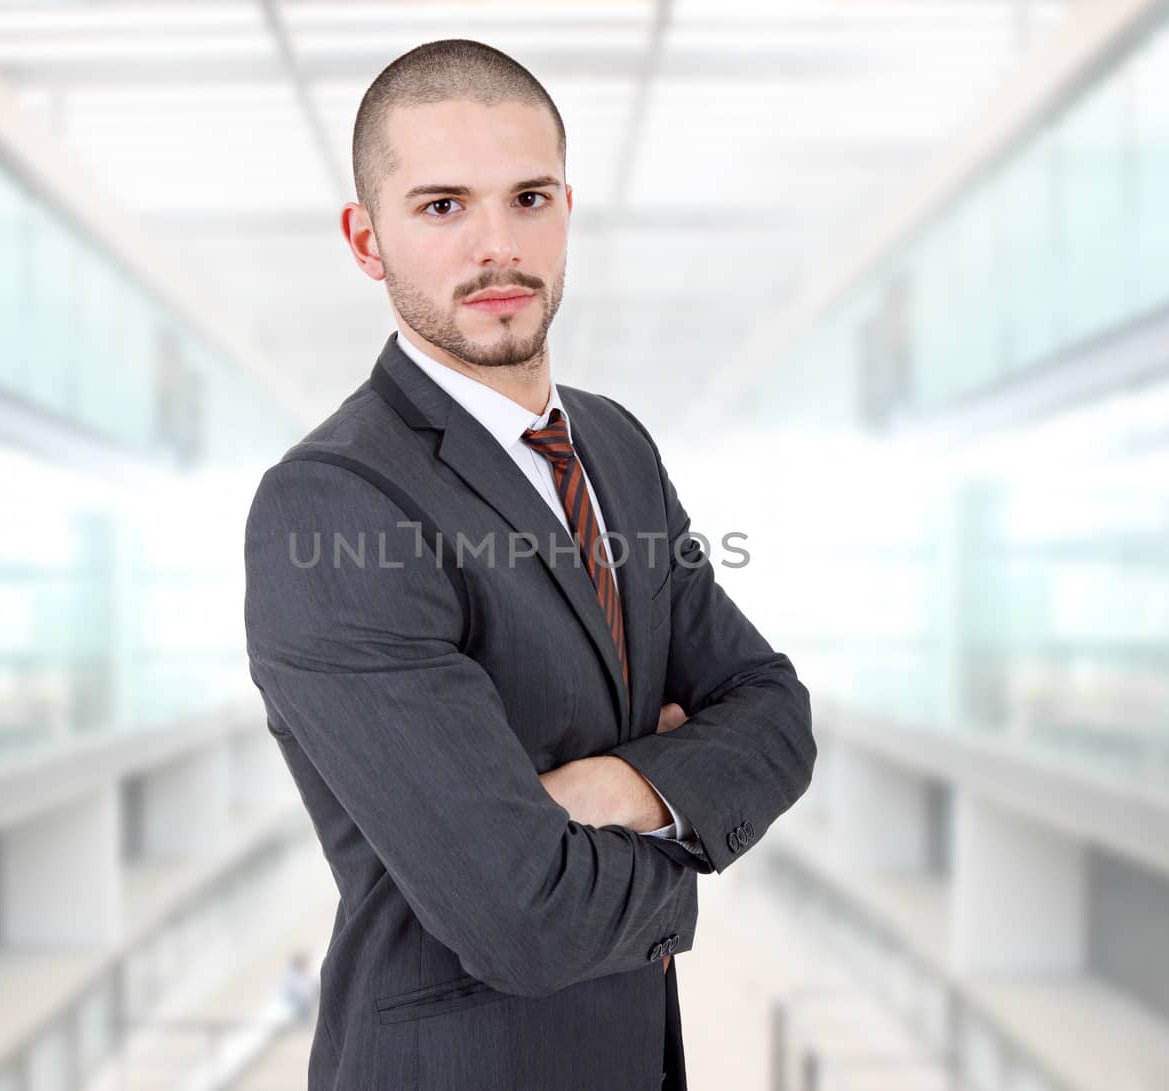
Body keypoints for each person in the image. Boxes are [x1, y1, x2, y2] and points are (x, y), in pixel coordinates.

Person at [242, 38, 814, 1091]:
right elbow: (522, 915)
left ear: (565, 208)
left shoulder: (613, 446)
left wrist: (614, 785)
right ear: (366, 240)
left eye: (529, 197)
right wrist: (685, 838)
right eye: (442, 206)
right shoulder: (332, 502)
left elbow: (774, 711)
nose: (497, 247)